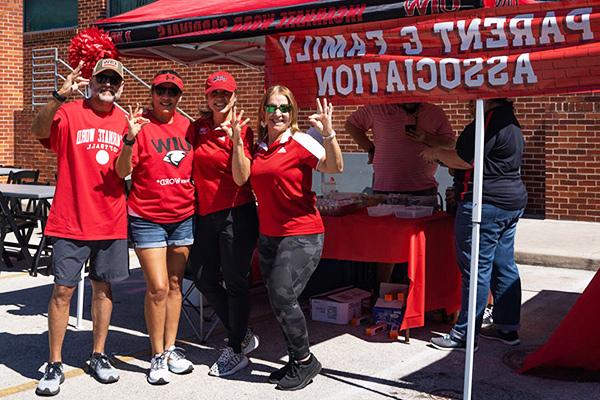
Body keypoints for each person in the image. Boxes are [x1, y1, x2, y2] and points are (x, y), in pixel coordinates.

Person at [31, 59, 129, 396]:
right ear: (90, 81)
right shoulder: (70, 111)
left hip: (111, 218)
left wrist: (131, 142)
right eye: (102, 78)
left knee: (104, 289)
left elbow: (122, 170)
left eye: (113, 80)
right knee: (62, 291)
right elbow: (38, 130)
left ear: (121, 86)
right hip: (71, 219)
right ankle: (54, 362)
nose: (107, 84)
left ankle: (98, 355)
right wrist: (58, 95)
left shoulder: (124, 120)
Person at [249, 86, 343, 391]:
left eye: (285, 108)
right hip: (269, 235)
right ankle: (294, 358)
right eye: (273, 108)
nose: (278, 113)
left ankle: (304, 361)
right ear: (263, 113)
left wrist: (328, 134)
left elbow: (335, 167)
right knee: (278, 300)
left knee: (282, 293)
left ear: (292, 114)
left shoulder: (300, 141)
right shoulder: (259, 147)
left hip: (302, 233)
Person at [421, 98, 527, 351]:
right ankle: (507, 326)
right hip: (509, 201)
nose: (468, 101)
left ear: (488, 97)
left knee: (476, 269)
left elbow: (464, 160)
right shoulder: (511, 122)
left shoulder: (488, 121)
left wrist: (435, 154)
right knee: (504, 264)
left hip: (485, 203)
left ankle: (464, 335)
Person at [115, 70, 195, 384]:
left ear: (179, 97)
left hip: (183, 216)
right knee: (158, 287)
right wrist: (129, 139)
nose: (167, 97)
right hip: (148, 218)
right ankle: (157, 354)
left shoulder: (188, 127)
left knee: (175, 285)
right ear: (152, 93)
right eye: (161, 91)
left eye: (173, 92)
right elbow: (122, 171)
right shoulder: (139, 126)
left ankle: (172, 347)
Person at [188, 70, 259, 377]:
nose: (220, 98)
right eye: (215, 93)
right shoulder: (198, 128)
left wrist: (237, 143)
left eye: (226, 94)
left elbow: (243, 177)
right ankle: (240, 332)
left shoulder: (242, 129)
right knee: (202, 278)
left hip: (236, 213)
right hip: (205, 214)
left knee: (235, 282)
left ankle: (235, 349)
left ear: (234, 97)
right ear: (207, 97)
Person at [345, 102, 455, 283]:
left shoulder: (434, 111)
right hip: (385, 191)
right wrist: (371, 148)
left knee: (422, 248)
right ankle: (383, 293)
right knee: (386, 248)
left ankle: (419, 294)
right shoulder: (378, 107)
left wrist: (425, 137)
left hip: (422, 192)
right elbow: (351, 124)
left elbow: (449, 142)